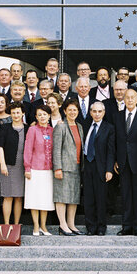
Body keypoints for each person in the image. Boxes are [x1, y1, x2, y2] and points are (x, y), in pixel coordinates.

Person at [114, 89, 137, 236]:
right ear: (123, 99)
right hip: (122, 162)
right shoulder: (116, 116)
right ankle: (126, 226)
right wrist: (115, 159)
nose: (129, 100)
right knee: (125, 195)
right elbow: (115, 140)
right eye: (127, 97)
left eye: (132, 98)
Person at [82, 102, 115, 236]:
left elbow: (111, 150)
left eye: (99, 111)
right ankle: (91, 227)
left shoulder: (109, 128)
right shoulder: (85, 126)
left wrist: (109, 169)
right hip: (87, 165)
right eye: (94, 111)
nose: (97, 114)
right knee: (88, 198)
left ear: (104, 112)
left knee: (101, 198)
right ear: (90, 112)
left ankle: (101, 227)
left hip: (101, 166)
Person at [52, 100, 84, 235]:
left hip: (76, 166)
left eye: (75, 110)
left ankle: (71, 224)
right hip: (63, 167)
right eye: (69, 110)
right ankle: (62, 224)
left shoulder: (80, 126)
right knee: (62, 196)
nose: (72, 112)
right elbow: (56, 149)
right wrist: (57, 167)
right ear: (64, 111)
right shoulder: (61, 126)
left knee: (74, 197)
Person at [24, 105, 55, 236]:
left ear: (49, 116)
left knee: (45, 199)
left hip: (48, 169)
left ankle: (44, 226)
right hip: (35, 169)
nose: (42, 117)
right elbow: (28, 149)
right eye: (40, 114)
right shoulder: (32, 130)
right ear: (36, 117)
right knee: (34, 198)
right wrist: (27, 167)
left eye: (45, 114)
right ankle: (36, 225)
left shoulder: (53, 131)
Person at [0, 102, 28, 225]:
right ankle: (6, 224)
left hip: (23, 166)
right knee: (8, 196)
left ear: (23, 113)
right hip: (8, 165)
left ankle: (16, 225)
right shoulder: (5, 128)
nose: (16, 115)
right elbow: (0, 147)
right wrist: (3, 164)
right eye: (13, 112)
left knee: (19, 197)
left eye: (18, 112)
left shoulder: (28, 128)